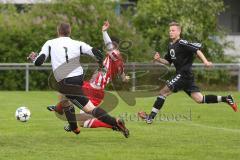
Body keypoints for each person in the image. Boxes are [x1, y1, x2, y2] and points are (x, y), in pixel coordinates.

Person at [27, 22, 129, 138]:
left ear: (58, 31)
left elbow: (39, 62)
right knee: (65, 98)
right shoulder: (78, 44)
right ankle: (73, 126)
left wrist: (33, 58)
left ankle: (114, 122)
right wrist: (100, 63)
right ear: (69, 31)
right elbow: (97, 53)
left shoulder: (50, 43)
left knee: (89, 109)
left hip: (68, 82)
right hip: (78, 79)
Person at [138, 22, 238, 124]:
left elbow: (197, 50)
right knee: (200, 99)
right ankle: (226, 98)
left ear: (179, 32)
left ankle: (150, 117)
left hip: (183, 74)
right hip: (186, 77)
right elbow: (168, 62)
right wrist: (159, 59)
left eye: (173, 30)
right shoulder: (171, 46)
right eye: (169, 30)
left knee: (163, 92)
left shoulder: (182, 42)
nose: (170, 32)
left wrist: (205, 61)